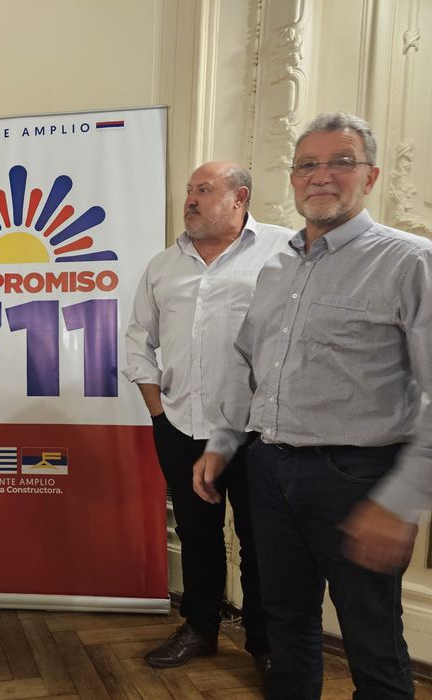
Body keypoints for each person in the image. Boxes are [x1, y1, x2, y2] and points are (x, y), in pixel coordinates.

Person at [195, 112, 432, 699]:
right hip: (269, 467)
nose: (321, 176)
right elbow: (250, 365)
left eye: (341, 162)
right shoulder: (277, 265)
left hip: (356, 477)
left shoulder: (411, 262)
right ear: (293, 178)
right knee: (284, 620)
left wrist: (400, 502)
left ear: (371, 176)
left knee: (371, 640)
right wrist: (224, 442)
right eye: (307, 164)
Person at [125, 162, 289, 673]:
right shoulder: (163, 265)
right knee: (196, 536)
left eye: (204, 190)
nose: (190, 199)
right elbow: (138, 341)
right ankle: (200, 627)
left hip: (257, 434)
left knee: (262, 542)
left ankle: (265, 644)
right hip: (181, 426)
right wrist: (158, 414)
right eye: (189, 190)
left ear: (240, 198)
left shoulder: (285, 251)